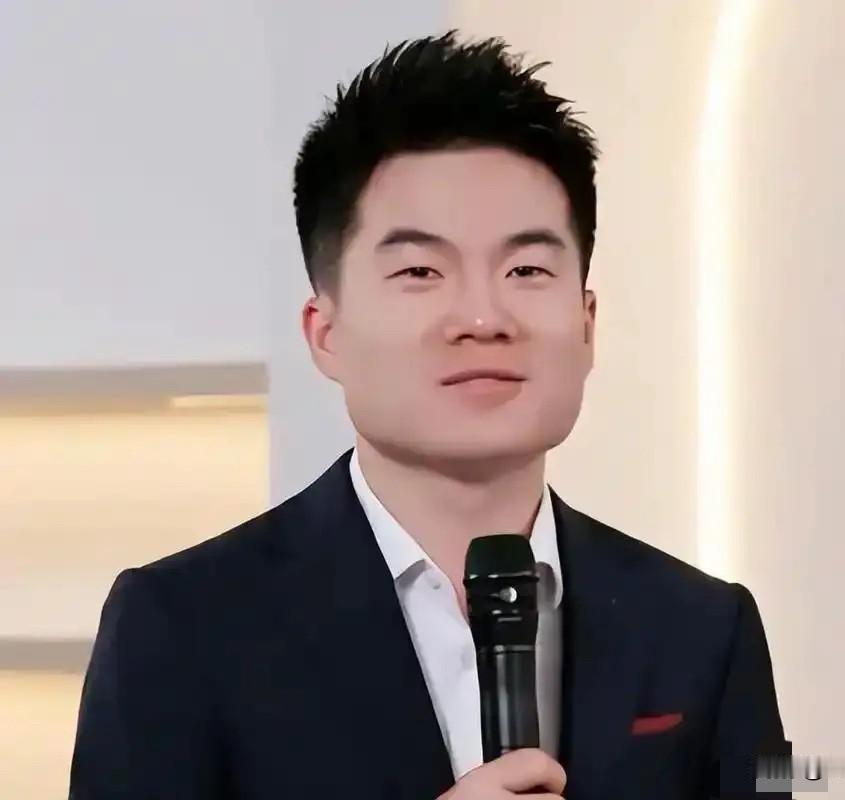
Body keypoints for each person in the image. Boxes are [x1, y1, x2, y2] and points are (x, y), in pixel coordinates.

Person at [69, 30, 789, 799]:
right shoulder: (181, 625)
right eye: (420, 271)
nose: (482, 318)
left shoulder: (706, 628)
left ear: (586, 325)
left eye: (526, 269)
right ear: (326, 332)